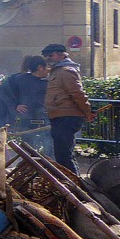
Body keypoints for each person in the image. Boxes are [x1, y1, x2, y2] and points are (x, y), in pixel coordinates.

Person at [42, 43, 93, 175]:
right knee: (63, 154)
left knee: (64, 155)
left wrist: (87, 111)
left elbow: (77, 94)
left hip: (67, 117)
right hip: (61, 116)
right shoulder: (59, 71)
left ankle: (73, 184)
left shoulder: (66, 71)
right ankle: (71, 181)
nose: (48, 58)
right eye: (46, 56)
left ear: (61, 54)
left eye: (50, 55)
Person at [0, 55, 52, 153]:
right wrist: (15, 106)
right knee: (27, 148)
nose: (48, 70)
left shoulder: (50, 81)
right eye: (46, 67)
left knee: (49, 148)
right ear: (40, 67)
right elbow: (3, 92)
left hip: (46, 118)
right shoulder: (19, 79)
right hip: (27, 119)